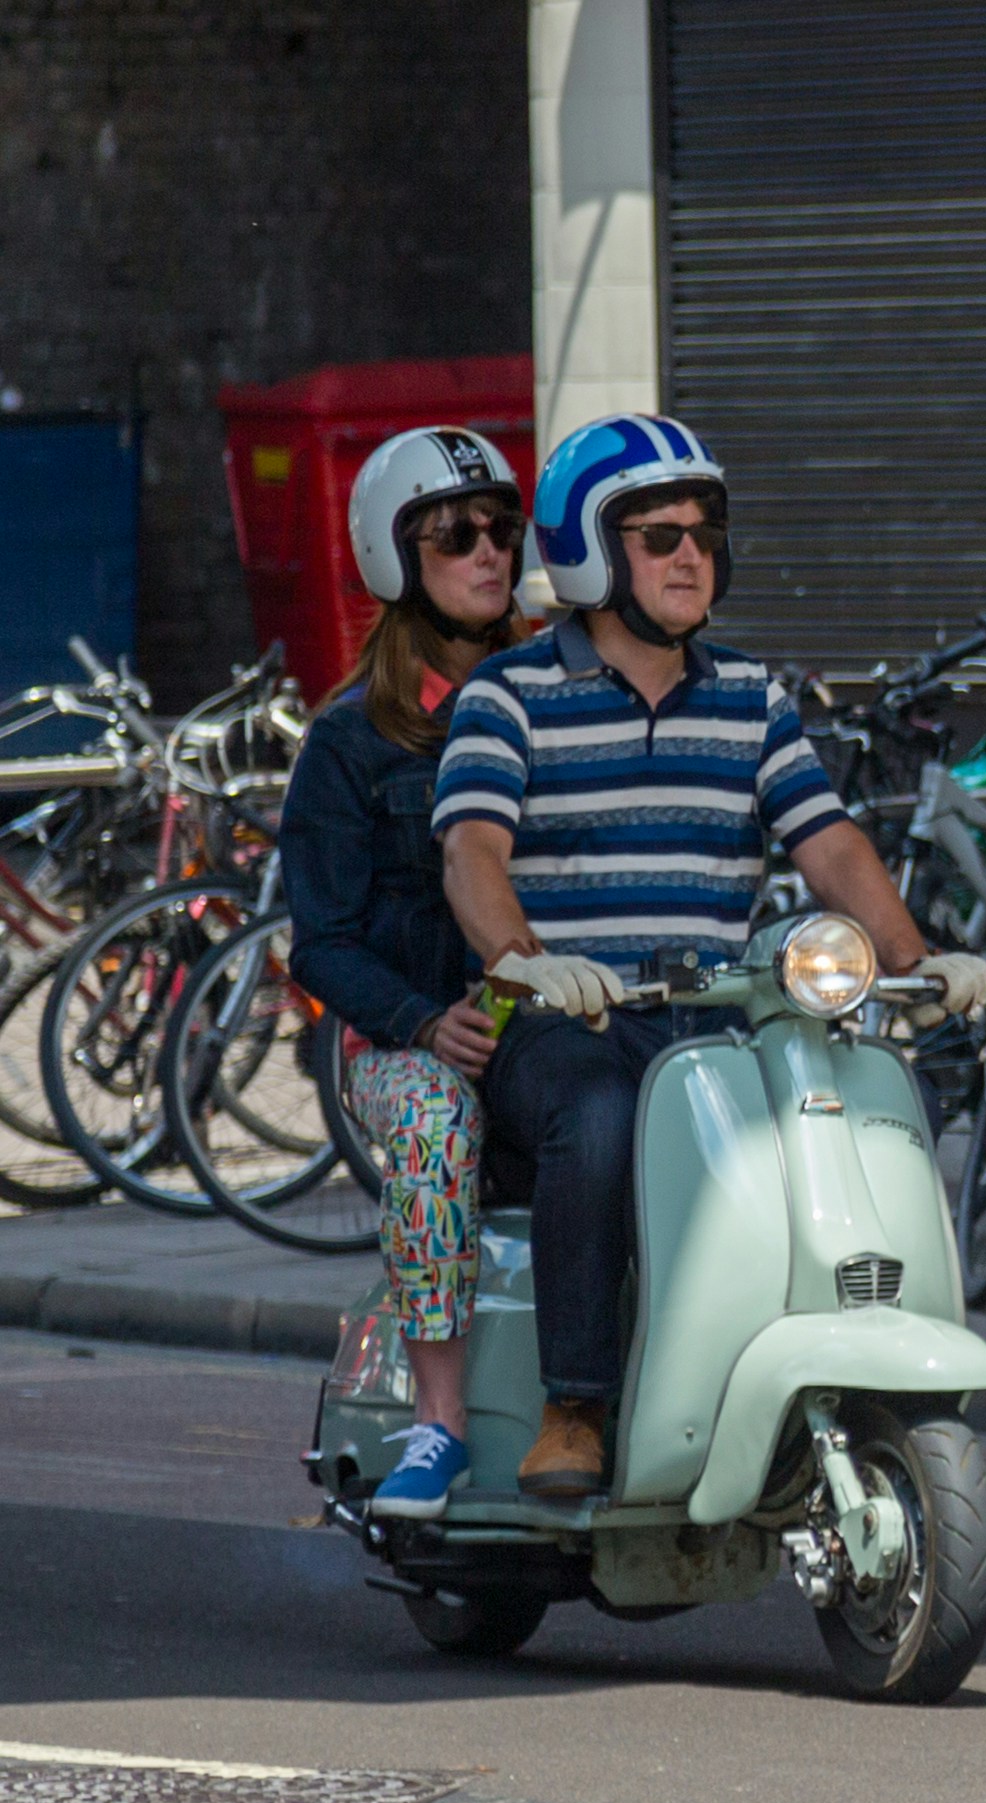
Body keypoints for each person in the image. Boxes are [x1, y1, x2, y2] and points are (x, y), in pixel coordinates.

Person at [431, 413, 986, 1501]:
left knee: (838, 1105)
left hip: (715, 1019)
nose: (692, 554)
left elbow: (827, 842)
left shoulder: (750, 695)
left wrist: (925, 961)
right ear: (594, 552)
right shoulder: (510, 698)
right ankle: (577, 1406)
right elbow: (471, 853)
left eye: (705, 531)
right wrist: (526, 963)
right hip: (566, 1022)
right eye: (658, 535)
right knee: (597, 1117)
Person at [281, 426, 526, 1518]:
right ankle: (439, 1425)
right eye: (454, 535)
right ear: (394, 560)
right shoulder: (349, 744)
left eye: (502, 530)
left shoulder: (551, 702)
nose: (489, 553)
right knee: (433, 1122)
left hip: (539, 1020)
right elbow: (321, 942)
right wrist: (427, 1024)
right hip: (396, 1045)